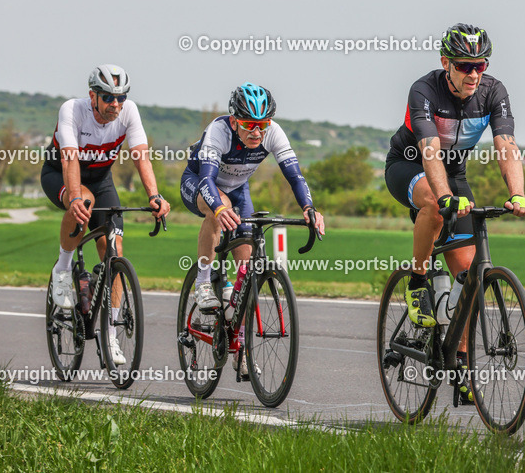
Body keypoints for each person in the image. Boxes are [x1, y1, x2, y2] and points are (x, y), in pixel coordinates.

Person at [385, 23, 525, 403]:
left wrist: (517, 194)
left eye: (480, 66)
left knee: (469, 278)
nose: (473, 74)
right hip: (410, 164)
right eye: (465, 66)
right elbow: (429, 150)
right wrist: (445, 195)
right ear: (446, 63)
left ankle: (461, 361)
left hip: (454, 173)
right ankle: (418, 282)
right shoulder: (424, 90)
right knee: (437, 205)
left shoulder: (493, 92)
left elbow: (506, 144)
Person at [180, 83, 324, 377]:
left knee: (247, 269)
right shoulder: (218, 131)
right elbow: (207, 180)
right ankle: (204, 285)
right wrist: (220, 209)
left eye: (263, 125)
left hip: (238, 191)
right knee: (216, 210)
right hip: (199, 183)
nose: (257, 132)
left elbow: (295, 176)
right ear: (234, 121)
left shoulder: (273, 132)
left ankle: (240, 347)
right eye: (249, 126)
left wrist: (309, 208)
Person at [41, 65, 170, 365]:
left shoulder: (129, 112)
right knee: (83, 201)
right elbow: (70, 159)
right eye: (109, 98)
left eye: (120, 98)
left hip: (101, 180)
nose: (116, 105)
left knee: (114, 252)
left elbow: (141, 154)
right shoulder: (72, 110)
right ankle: (62, 269)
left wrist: (154, 195)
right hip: (60, 173)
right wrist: (74, 197)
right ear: (93, 96)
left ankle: (109, 336)